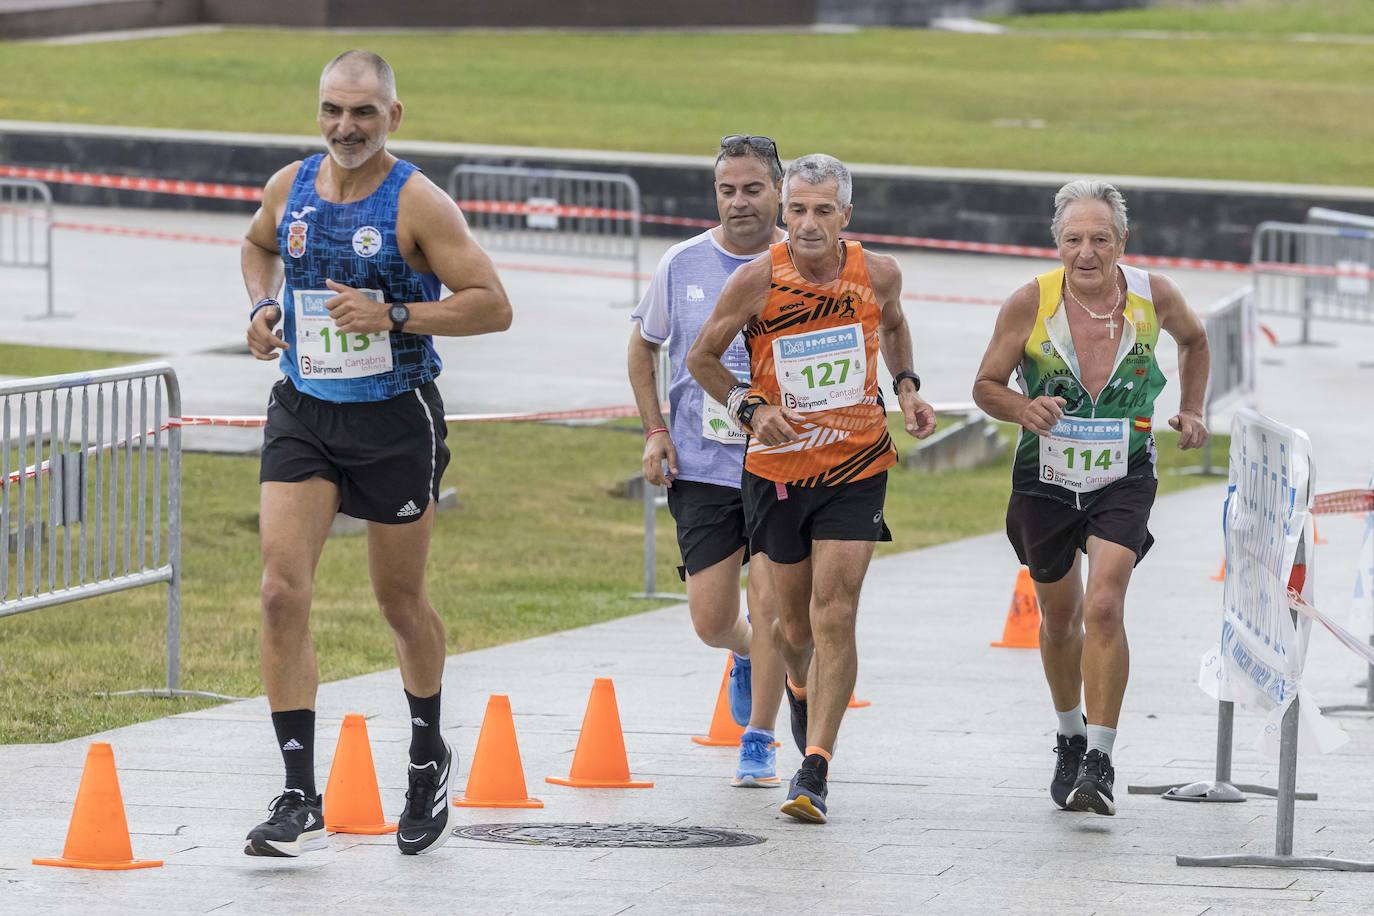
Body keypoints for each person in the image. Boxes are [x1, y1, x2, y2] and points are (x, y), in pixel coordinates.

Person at [239, 50, 512, 856]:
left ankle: (428, 755)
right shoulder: (288, 186)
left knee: (399, 603)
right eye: (332, 110)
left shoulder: (418, 201)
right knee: (280, 593)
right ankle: (297, 790)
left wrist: (394, 315)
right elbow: (256, 246)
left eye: (362, 113)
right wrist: (261, 306)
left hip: (395, 419)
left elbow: (493, 306)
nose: (345, 127)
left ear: (393, 116)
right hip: (304, 409)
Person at [687, 153, 936, 823]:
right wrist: (750, 409)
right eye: (796, 209)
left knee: (836, 611)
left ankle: (815, 766)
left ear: (845, 216)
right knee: (791, 625)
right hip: (778, 472)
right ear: (782, 211)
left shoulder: (876, 272)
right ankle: (799, 683)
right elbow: (701, 358)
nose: (807, 223)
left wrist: (907, 387)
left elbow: (895, 321)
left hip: (857, 464)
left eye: (822, 210)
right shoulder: (755, 280)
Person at [972, 179, 1209, 816]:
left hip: (1124, 475)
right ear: (1057, 244)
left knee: (1104, 603)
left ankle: (1100, 758)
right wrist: (1025, 407)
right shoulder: (1031, 303)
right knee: (1059, 619)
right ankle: (1070, 735)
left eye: (1099, 239)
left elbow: (1195, 339)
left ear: (1121, 243)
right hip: (1044, 481)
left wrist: (1190, 408)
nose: (1086, 252)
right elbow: (985, 386)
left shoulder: (1153, 297)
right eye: (1073, 239)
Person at [627, 135, 787, 787]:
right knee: (713, 619)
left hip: (783, 467)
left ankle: (760, 739)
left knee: (772, 604)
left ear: (778, 191)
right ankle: (747, 653)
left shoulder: (799, 260)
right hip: (700, 467)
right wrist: (654, 431)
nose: (739, 202)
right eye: (727, 190)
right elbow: (643, 350)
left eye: (753, 189)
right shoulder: (683, 263)